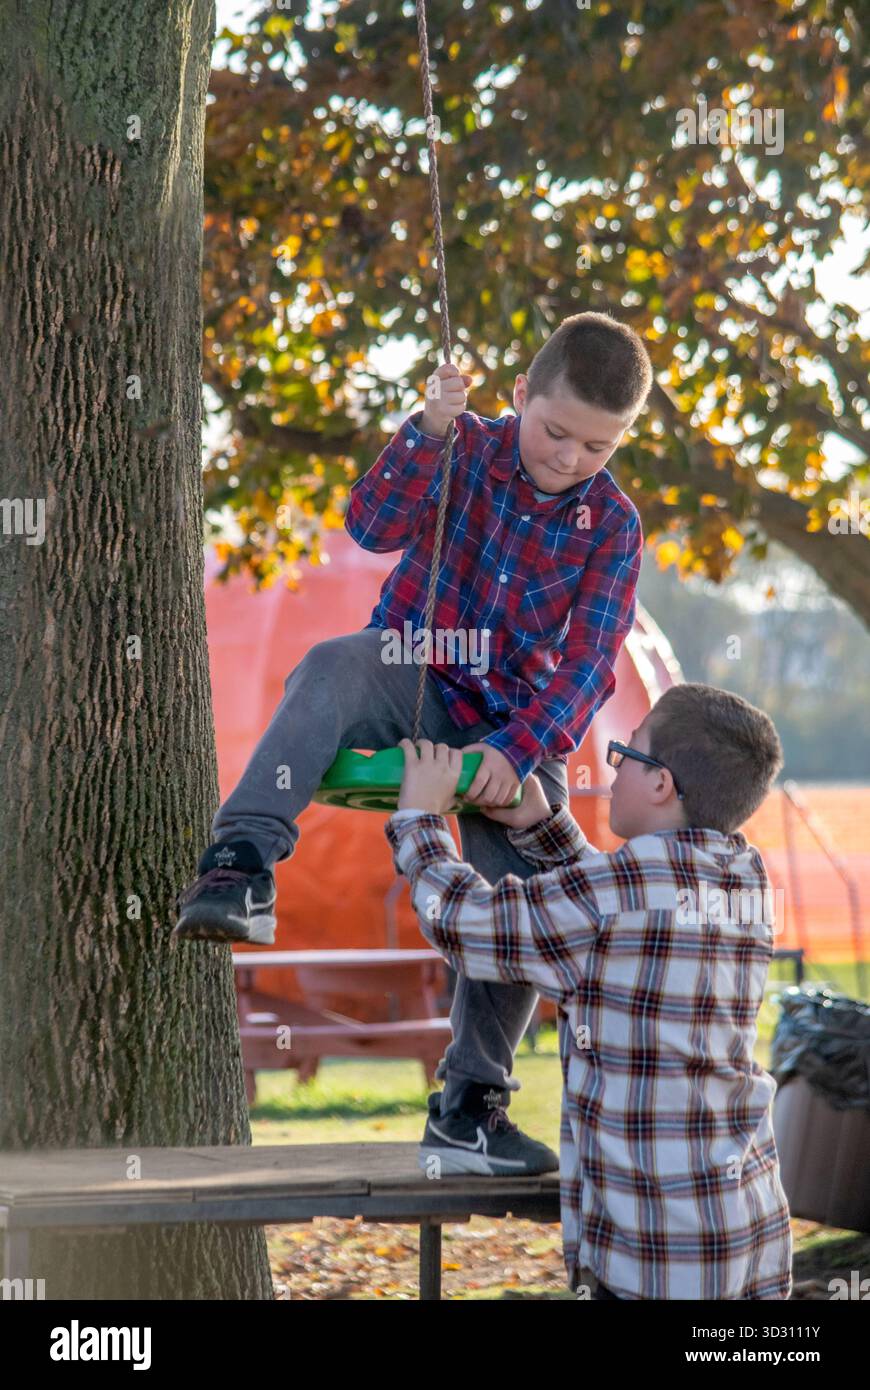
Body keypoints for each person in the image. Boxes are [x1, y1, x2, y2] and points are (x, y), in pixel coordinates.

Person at [174, 311, 652, 1178]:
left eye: (597, 447)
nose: (569, 459)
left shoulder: (613, 527)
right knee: (328, 666)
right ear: (518, 397)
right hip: (410, 669)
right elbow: (370, 525)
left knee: (512, 896)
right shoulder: (461, 445)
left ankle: (471, 1106)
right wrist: (428, 432)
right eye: (555, 432)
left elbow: (590, 664)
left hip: (512, 724)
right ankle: (240, 861)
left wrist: (521, 749)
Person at [385, 684, 793, 1300]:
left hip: (653, 1258)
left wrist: (419, 818)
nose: (616, 764)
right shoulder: (745, 879)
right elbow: (620, 915)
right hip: (746, 1232)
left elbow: (468, 925)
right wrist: (545, 828)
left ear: (660, 784)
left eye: (629, 753)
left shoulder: (614, 899)